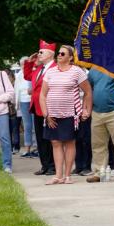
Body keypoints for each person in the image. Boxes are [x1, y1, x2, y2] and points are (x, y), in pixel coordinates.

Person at [39, 44, 91, 185]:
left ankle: (67, 175)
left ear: (70, 57)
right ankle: (58, 176)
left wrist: (87, 110)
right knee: (55, 143)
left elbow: (87, 91)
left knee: (69, 142)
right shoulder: (50, 72)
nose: (59, 55)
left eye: (62, 54)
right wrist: (46, 114)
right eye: (59, 53)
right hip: (52, 114)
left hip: (70, 113)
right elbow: (42, 95)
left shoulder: (77, 71)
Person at [85, 68, 114, 183]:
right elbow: (88, 90)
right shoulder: (93, 71)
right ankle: (99, 172)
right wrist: (88, 109)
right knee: (97, 144)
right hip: (96, 112)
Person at [23, 41, 57, 176]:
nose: (39, 54)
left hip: (49, 107)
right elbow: (27, 76)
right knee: (40, 139)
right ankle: (45, 165)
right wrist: (29, 63)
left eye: (41, 52)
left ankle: (53, 166)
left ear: (50, 55)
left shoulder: (55, 67)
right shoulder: (38, 68)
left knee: (50, 139)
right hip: (36, 108)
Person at [15, 58, 36, 157]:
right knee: (27, 126)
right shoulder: (18, 75)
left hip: (33, 101)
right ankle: (27, 148)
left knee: (35, 126)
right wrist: (16, 104)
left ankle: (37, 148)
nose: (23, 66)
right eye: (21, 64)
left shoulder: (34, 71)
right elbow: (16, 90)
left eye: (25, 64)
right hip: (23, 101)